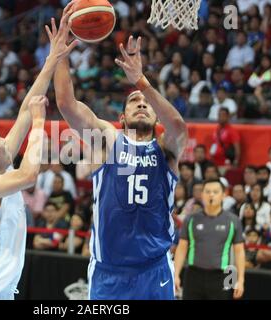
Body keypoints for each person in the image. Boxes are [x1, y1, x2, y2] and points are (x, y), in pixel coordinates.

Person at [54, 16, 188, 299]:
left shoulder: (166, 149)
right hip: (109, 272)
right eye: (134, 101)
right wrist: (60, 55)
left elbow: (177, 125)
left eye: (146, 102)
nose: (142, 103)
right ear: (121, 117)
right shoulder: (108, 140)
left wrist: (141, 82)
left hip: (155, 268)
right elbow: (66, 104)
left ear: (155, 114)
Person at [0, 9, 77, 300]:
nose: (7, 141)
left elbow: (24, 108)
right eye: (0, 139)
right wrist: (40, 122)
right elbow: (29, 174)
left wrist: (52, 58)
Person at [174, 179, 245, 300]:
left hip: (223, 275)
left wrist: (240, 280)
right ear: (202, 195)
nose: (211, 194)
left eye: (215, 192)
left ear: (224, 195)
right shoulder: (191, 219)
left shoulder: (233, 220)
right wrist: (175, 274)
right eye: (207, 191)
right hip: (193, 275)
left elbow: (239, 252)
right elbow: (181, 248)